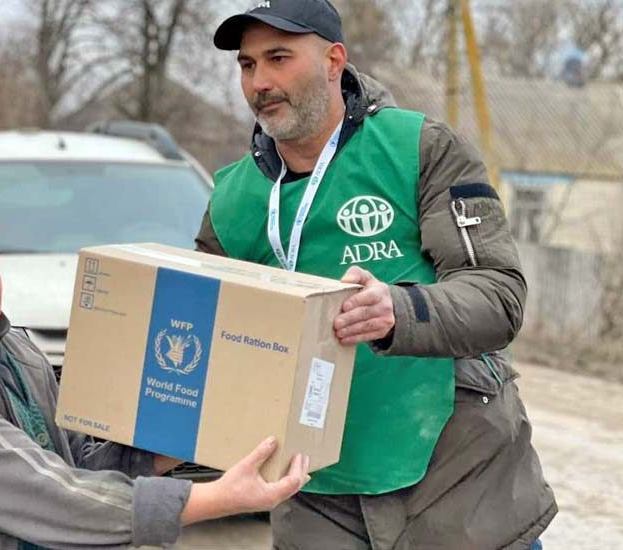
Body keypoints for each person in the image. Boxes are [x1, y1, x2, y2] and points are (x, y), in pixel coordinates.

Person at [197, 1, 557, 548]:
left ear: (333, 60)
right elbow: (201, 333)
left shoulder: (421, 148)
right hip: (315, 499)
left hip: (459, 486)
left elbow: (499, 294)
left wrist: (399, 310)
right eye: (247, 66)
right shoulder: (231, 198)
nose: (260, 82)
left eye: (278, 58)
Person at [0, 193, 311, 550]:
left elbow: (69, 465)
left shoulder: (13, 348)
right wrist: (214, 498)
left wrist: (169, 444)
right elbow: (53, 500)